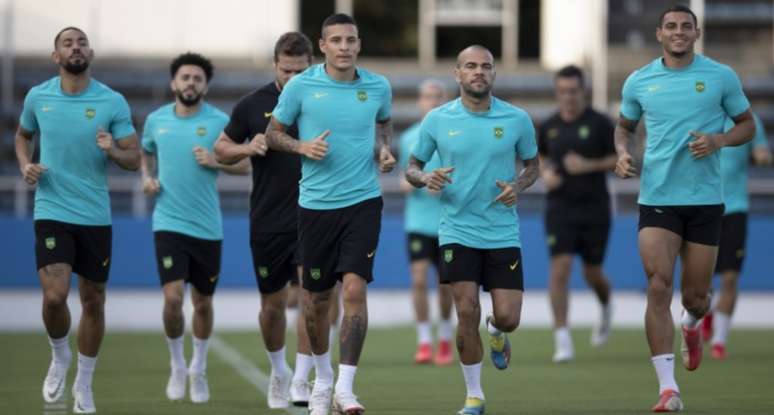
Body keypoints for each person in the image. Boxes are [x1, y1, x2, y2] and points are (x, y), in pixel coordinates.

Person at [614, 5, 755, 412]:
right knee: (658, 285)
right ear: (659, 33)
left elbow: (746, 124)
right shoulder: (639, 81)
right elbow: (623, 127)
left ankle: (693, 324)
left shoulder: (720, 77)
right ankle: (668, 388)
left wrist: (718, 140)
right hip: (657, 198)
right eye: (671, 26)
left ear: (696, 33)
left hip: (706, 201)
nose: (678, 32)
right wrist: (623, 153)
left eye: (685, 27)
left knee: (695, 297)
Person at [265, 13, 395, 415]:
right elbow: (273, 134)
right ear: (322, 45)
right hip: (316, 207)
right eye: (336, 40)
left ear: (359, 44)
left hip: (363, 203)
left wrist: (385, 150)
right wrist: (301, 147)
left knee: (354, 290)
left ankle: (346, 387)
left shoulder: (378, 86)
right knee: (316, 299)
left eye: (351, 40)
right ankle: (321, 378)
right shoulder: (301, 86)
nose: (344, 47)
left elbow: (384, 124)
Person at [406, 45, 539, 415]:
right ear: (457, 74)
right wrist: (425, 177)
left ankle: (497, 334)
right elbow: (412, 166)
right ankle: (474, 396)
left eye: (485, 66)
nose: (478, 71)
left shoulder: (517, 119)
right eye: (470, 66)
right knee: (466, 313)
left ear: (494, 73)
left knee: (509, 317)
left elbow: (532, 166)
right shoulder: (437, 119)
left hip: (501, 232)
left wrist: (520, 185)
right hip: (456, 230)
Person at [15, 27, 140, 414]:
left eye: (82, 42)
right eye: (67, 43)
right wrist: (25, 165)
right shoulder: (38, 96)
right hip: (52, 209)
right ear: (56, 56)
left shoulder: (111, 101)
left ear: (91, 52)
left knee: (93, 301)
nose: (76, 47)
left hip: (94, 215)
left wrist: (113, 150)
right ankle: (59, 355)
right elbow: (22, 136)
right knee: (54, 296)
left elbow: (134, 159)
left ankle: (84, 383)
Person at [214, 31, 341, 409]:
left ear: (311, 66)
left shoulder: (326, 97)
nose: (293, 78)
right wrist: (246, 147)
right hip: (269, 220)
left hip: (316, 217)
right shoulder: (252, 105)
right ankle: (278, 371)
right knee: (272, 307)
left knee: (313, 298)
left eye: (300, 71)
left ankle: (304, 378)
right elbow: (221, 149)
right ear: (275, 66)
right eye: (286, 71)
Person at [141, 52, 249, 404]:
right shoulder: (156, 121)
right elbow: (145, 153)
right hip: (168, 223)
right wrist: (147, 178)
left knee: (202, 303)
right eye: (184, 77)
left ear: (205, 85)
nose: (190, 83)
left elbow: (244, 165)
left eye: (197, 78)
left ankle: (198, 368)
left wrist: (216, 160)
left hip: (207, 227)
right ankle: (177, 364)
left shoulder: (220, 121)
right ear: (174, 83)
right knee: (173, 299)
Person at [537, 65, 616, 363]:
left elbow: (620, 159)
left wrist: (588, 165)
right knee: (560, 269)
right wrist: (546, 172)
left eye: (573, 90)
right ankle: (563, 340)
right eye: (562, 91)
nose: (568, 97)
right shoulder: (549, 125)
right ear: (556, 92)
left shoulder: (600, 123)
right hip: (560, 208)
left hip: (595, 208)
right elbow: (541, 155)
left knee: (592, 272)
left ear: (583, 90)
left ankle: (607, 306)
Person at [701, 113, 771, 359]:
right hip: (704, 206)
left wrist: (762, 156)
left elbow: (761, 149)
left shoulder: (749, 121)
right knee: (702, 280)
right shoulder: (702, 115)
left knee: (730, 278)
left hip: (735, 208)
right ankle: (706, 314)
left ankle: (719, 341)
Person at [398, 79, 454, 366]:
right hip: (418, 222)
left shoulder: (455, 136)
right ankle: (423, 341)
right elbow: (404, 178)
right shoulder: (408, 138)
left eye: (437, 96)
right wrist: (418, 184)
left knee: (446, 286)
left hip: (448, 224)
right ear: (420, 102)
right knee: (419, 280)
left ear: (445, 100)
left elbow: (465, 178)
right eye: (427, 96)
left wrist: (443, 187)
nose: (432, 101)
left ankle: (445, 338)